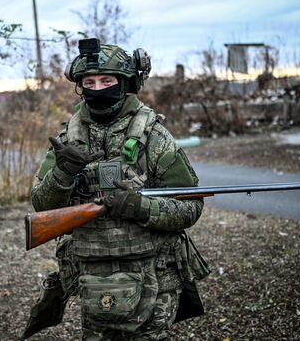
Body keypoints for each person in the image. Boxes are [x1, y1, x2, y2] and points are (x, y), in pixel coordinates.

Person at [23, 38, 210, 340]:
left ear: (126, 83)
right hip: (92, 278)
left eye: (107, 80)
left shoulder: (155, 137)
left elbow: (191, 206)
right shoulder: (68, 138)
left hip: (155, 274)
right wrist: (63, 171)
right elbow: (42, 208)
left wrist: (141, 207)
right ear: (80, 86)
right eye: (90, 82)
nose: (98, 89)